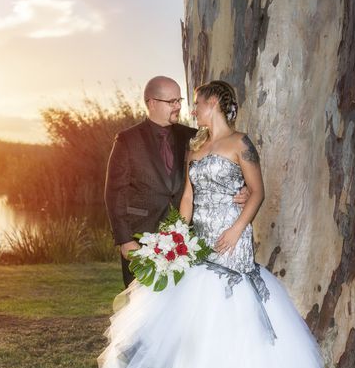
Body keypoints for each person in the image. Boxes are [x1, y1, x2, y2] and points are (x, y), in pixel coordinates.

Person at [97, 80, 335, 368]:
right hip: (185, 239)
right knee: (169, 314)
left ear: (213, 103)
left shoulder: (223, 141)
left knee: (229, 310)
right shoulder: (168, 144)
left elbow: (255, 189)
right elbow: (177, 196)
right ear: (151, 102)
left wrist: (239, 219)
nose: (184, 107)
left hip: (231, 239)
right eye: (173, 101)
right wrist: (174, 237)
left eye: (189, 101)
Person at [104, 76, 248, 287]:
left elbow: (219, 169)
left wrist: (241, 189)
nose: (178, 106)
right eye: (171, 102)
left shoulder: (194, 137)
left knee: (182, 304)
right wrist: (125, 240)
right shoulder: (127, 140)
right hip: (141, 237)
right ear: (152, 103)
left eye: (179, 100)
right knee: (141, 305)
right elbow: (114, 193)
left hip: (188, 237)